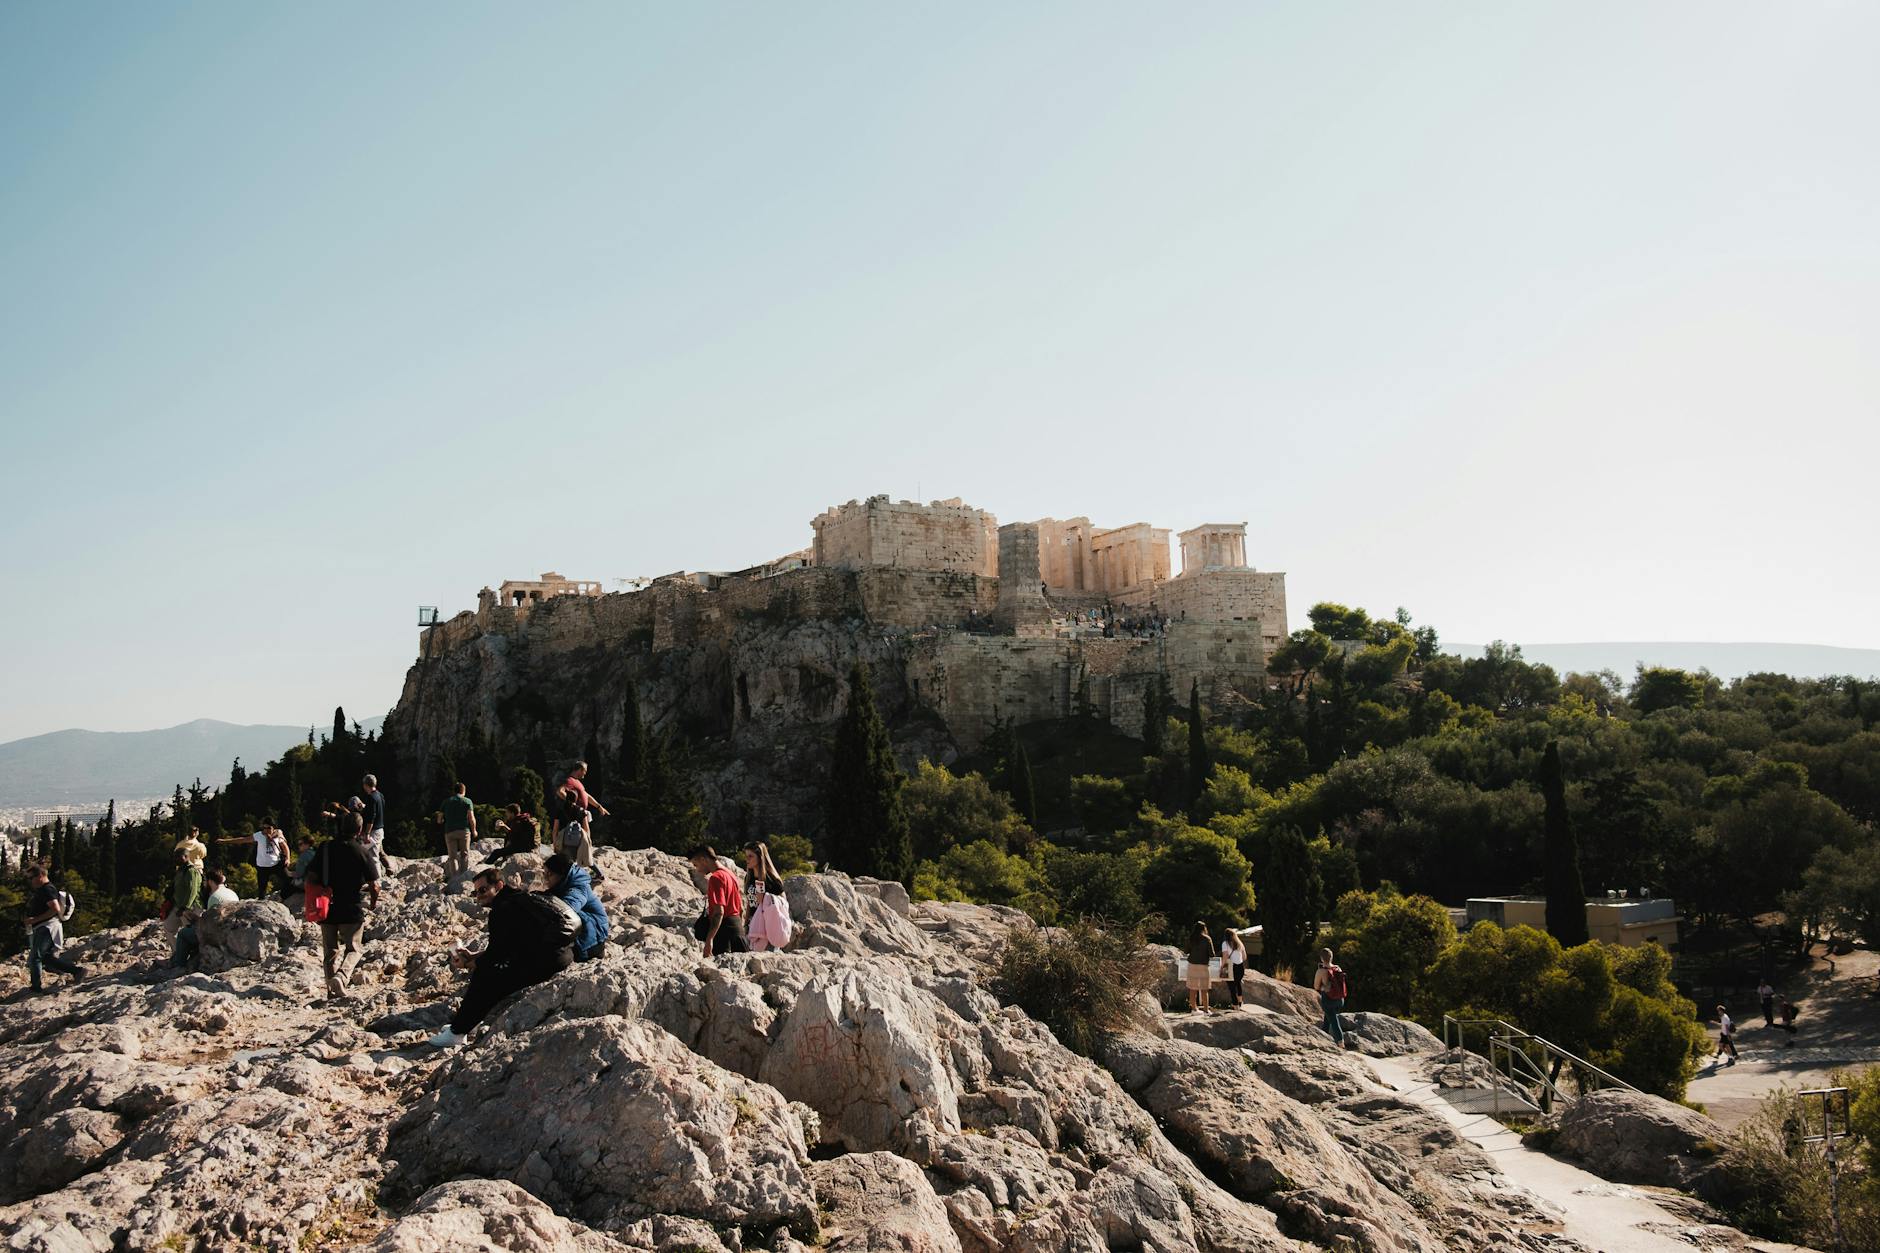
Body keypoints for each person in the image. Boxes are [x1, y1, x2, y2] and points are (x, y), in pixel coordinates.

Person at [428, 867, 576, 1048]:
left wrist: (471, 963)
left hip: (545, 965)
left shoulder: (502, 909)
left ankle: (457, 1032)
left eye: (483, 890)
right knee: (492, 971)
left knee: (485, 975)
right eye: (475, 892)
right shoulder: (518, 899)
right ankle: (465, 1023)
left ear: (498, 885)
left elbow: (497, 954)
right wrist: (475, 956)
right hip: (560, 957)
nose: (479, 896)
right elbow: (508, 946)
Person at [303, 824, 381, 1000]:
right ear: (359, 829)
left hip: (327, 906)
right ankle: (341, 977)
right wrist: (373, 904)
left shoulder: (325, 847)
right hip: (351, 907)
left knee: (329, 951)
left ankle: (331, 992)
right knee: (354, 949)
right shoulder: (360, 851)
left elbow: (311, 876)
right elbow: (374, 885)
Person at [22, 864, 85, 991]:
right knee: (46, 957)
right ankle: (77, 971)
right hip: (46, 927)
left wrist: (34, 920)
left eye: (31, 878)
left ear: (40, 876)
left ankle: (36, 987)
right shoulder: (44, 889)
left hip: (47, 927)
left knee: (35, 957)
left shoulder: (47, 889)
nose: (30, 881)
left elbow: (54, 909)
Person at [543, 853, 609, 961]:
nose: (546, 878)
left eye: (549, 874)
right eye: (545, 873)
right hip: (590, 932)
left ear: (562, 874)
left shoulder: (579, 888)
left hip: (593, 938)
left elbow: (566, 909)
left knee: (562, 917)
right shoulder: (563, 883)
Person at [169, 868, 237, 970]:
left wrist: (191, 918)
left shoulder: (214, 897)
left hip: (217, 934)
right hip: (232, 931)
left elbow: (209, 924)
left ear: (210, 882)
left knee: (183, 934)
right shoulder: (232, 893)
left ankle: (179, 964)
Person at [688, 846, 747, 958]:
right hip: (737, 929)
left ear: (703, 860)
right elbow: (741, 908)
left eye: (696, 865)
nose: (698, 870)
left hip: (723, 934)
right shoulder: (730, 874)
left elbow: (719, 912)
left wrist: (709, 940)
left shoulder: (716, 878)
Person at [217, 820, 293, 898]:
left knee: (288, 880)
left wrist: (288, 859)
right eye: (264, 828)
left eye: (268, 828)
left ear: (273, 828)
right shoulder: (259, 835)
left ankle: (285, 896)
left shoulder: (277, 835)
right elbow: (243, 840)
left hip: (276, 864)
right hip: (262, 867)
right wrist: (225, 841)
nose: (266, 830)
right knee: (262, 890)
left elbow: (285, 847)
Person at [743, 841, 793, 952]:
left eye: (750, 856)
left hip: (769, 927)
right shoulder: (748, 878)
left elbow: (783, 904)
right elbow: (749, 902)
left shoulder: (771, 880)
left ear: (760, 857)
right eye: (746, 856)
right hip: (753, 925)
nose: (747, 859)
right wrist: (746, 923)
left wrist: (766, 898)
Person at [163, 847, 203, 944]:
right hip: (178, 906)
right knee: (169, 927)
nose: (175, 859)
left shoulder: (191, 871)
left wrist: (185, 907)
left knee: (192, 932)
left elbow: (192, 891)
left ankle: (194, 955)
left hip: (190, 907)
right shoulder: (180, 871)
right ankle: (177, 953)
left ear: (186, 857)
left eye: (178, 857)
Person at [1313, 947, 1349, 1046]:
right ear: (1331, 957)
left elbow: (1316, 986)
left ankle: (1340, 1041)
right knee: (1328, 1018)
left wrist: (1323, 986)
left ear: (1321, 958)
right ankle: (1323, 1035)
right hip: (1340, 1000)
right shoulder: (1338, 968)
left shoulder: (1321, 971)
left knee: (1333, 1020)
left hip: (1328, 1000)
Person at [439, 782, 476, 876]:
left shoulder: (446, 802)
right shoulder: (467, 801)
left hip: (450, 831)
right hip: (464, 831)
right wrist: (474, 830)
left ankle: (455, 877)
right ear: (463, 790)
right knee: (464, 854)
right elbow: (471, 818)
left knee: (453, 857)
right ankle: (463, 875)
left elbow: (439, 819)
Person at [361, 774, 388, 875]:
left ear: (365, 785)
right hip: (380, 829)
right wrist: (365, 807)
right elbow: (379, 810)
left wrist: (367, 833)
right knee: (377, 854)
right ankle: (383, 874)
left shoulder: (371, 798)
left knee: (373, 857)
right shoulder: (380, 795)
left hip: (373, 831)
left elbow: (371, 817)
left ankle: (377, 882)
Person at [1185, 921, 1214, 1013]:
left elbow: (1186, 951)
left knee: (1192, 989)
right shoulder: (1207, 939)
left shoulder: (1191, 938)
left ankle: (1194, 1009)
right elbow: (1212, 954)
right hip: (1203, 966)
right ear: (1204, 928)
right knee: (1204, 989)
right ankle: (1206, 1010)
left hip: (1192, 965)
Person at [1220, 927, 1247, 1008]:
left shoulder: (1225, 943)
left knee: (1231, 987)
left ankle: (1235, 1005)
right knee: (1238, 984)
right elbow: (1244, 957)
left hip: (1232, 967)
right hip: (1241, 967)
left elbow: (1225, 956)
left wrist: (1222, 966)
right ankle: (1240, 1002)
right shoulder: (1240, 943)